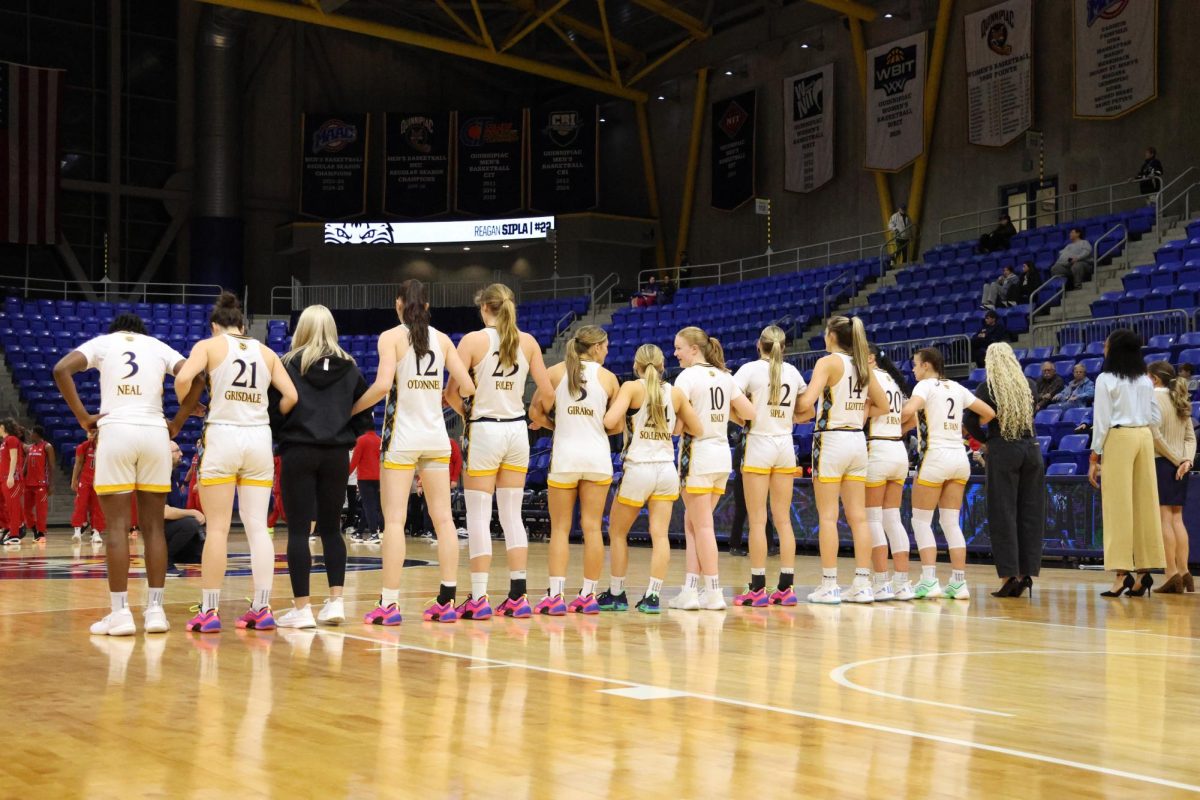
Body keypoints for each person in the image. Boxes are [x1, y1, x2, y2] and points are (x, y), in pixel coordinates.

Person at [52, 313, 195, 636]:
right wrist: (178, 421)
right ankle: (156, 610)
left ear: (117, 330)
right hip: (155, 431)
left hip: (116, 429)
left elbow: (61, 369)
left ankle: (120, 614)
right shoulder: (159, 346)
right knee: (154, 527)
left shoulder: (105, 343)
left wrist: (83, 417)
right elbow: (197, 377)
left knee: (116, 528)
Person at [353, 280, 476, 625]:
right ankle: (447, 599)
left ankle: (389, 604)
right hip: (436, 436)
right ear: (426, 306)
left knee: (394, 521)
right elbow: (466, 387)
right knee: (444, 520)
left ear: (398, 304)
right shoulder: (443, 339)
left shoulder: (391, 337)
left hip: (402, 438)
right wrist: (440, 396)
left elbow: (380, 386)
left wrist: (351, 410)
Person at [175, 292, 298, 634]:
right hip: (259, 437)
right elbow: (291, 396)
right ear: (244, 326)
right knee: (258, 527)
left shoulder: (209, 346)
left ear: (216, 326)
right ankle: (262, 607)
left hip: (223, 436)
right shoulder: (267, 352)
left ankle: (210, 611)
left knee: (217, 529)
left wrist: (187, 402)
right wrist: (267, 414)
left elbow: (184, 379)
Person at [446, 283, 552, 620]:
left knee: (478, 515)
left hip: (486, 429)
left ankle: (479, 596)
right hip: (517, 429)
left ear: (483, 308)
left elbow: (451, 394)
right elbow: (547, 393)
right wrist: (534, 417)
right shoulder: (530, 342)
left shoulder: (473, 341)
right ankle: (518, 595)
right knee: (512, 515)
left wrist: (469, 416)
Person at [265, 304, 374, 627]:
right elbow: (364, 418)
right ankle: (336, 601)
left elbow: (274, 411)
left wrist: (283, 435)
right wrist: (342, 435)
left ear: (302, 329)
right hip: (336, 454)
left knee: (299, 531)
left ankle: (302, 609)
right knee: (331, 529)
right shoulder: (351, 368)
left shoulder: (286, 365)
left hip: (298, 450)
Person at [600, 344, 701, 613]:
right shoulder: (675, 393)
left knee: (618, 532)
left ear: (637, 365)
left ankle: (617, 592)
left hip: (639, 468)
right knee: (660, 535)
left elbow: (610, 421)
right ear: (661, 365)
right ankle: (653, 596)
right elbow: (697, 427)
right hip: (666, 469)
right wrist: (673, 427)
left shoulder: (632, 388)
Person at [528, 325, 619, 615]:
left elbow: (534, 413)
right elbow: (614, 424)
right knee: (593, 528)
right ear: (595, 347)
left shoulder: (554, 372)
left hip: (565, 457)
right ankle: (588, 595)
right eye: (605, 346)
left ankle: (555, 596)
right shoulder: (609, 378)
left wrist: (557, 425)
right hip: (596, 458)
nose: (607, 351)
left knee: (560, 529)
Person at [795, 316, 887, 603]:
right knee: (858, 518)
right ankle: (862, 583)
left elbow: (807, 401)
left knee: (827, 516)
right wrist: (856, 413)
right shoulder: (861, 364)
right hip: (857, 440)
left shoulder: (828, 362)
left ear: (832, 336)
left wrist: (785, 405)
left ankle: (830, 583)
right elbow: (882, 405)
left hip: (831, 440)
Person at [667, 326, 755, 610]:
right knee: (693, 525)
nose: (675, 353)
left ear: (695, 349)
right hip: (721, 455)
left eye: (679, 347)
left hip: (698, 455)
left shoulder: (687, 377)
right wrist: (725, 413)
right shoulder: (725, 377)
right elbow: (750, 414)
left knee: (701, 526)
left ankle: (713, 591)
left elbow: (679, 425)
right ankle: (691, 591)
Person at [901, 347, 996, 599]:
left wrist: (891, 416)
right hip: (958, 458)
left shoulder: (924, 386)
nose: (913, 369)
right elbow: (989, 413)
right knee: (951, 522)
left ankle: (929, 581)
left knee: (920, 521)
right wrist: (964, 430)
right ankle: (958, 583)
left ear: (926, 366)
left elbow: (910, 411)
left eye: (915, 364)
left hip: (934, 457)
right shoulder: (957, 387)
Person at [731, 326, 810, 608]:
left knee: (757, 520)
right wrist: (788, 417)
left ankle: (758, 587)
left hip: (759, 443)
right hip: (785, 444)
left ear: (758, 345)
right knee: (783, 520)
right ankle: (786, 588)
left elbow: (731, 398)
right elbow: (808, 409)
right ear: (784, 346)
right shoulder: (793, 372)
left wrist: (742, 420)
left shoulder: (750, 369)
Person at [1089, 329, 1164, 598]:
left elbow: (1102, 420)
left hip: (1119, 437)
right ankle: (1144, 571)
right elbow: (1155, 415)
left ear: (1114, 349)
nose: (1104, 346)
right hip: (1143, 436)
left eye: (1106, 344)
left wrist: (1095, 454)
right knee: (1145, 505)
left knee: (1118, 507)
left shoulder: (1105, 379)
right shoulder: (1145, 380)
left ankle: (1122, 575)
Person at [964, 343, 1043, 598]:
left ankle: (1009, 576)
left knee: (1003, 514)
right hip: (1031, 448)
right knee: (1029, 513)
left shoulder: (987, 388)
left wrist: (986, 441)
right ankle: (1026, 573)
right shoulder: (1029, 385)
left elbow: (969, 421)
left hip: (1004, 449)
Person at [864, 345, 915, 601]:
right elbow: (914, 417)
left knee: (872, 518)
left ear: (871, 357)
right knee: (892, 518)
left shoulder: (870, 378)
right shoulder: (894, 381)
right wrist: (899, 430)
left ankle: (881, 582)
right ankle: (902, 583)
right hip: (898, 449)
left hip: (879, 447)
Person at [1147, 361, 1194, 594]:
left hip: (1162, 462)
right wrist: (1186, 460)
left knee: (1165, 519)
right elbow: (1190, 438)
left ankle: (1171, 573)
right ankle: (1185, 572)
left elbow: (1155, 436)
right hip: (1181, 466)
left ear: (1154, 378)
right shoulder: (1180, 399)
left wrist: (1176, 461)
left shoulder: (1152, 398)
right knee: (1178, 519)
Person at [70, 430, 105, 545]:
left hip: (99, 481)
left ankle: (96, 532)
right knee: (80, 505)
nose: (90, 435)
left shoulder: (105, 447)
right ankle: (77, 531)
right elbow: (78, 463)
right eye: (89, 432)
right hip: (85, 480)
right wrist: (74, 479)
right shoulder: (83, 447)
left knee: (97, 507)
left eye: (93, 433)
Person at [348, 429, 382, 542]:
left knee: (368, 506)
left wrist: (345, 474)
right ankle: (359, 532)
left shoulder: (361, 440)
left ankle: (373, 533)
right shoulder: (379, 440)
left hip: (364, 478)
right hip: (378, 478)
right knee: (368, 506)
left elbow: (355, 460)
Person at [22, 425, 53, 542]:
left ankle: (41, 533)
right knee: (26, 510)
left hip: (41, 484)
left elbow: (51, 466)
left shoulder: (47, 446)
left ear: (36, 434)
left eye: (31, 433)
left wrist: (51, 484)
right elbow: (25, 466)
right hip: (28, 483)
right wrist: (20, 479)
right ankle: (34, 529)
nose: (30, 435)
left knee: (41, 510)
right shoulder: (30, 448)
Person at [0, 421, 24, 544]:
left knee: (13, 506)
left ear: (3, 427)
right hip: (3, 478)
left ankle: (15, 535)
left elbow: (14, 458)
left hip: (12, 478)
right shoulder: (4, 442)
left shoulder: (12, 439)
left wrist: (10, 476)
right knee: (5, 506)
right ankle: (9, 528)